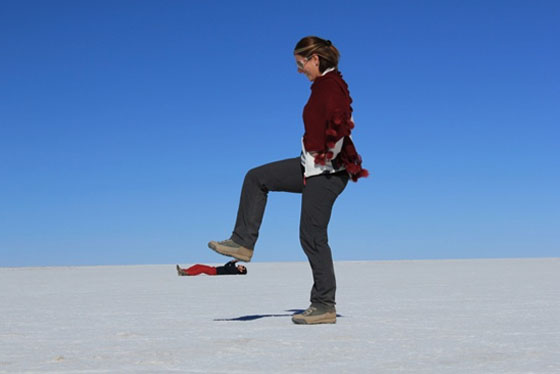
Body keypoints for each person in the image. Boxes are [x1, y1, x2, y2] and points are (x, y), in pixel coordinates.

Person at [208, 36, 368, 325]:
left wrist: (329, 154)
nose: (299, 70)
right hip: (309, 165)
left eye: (300, 64)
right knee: (256, 177)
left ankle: (324, 305)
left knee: (312, 235)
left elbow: (343, 120)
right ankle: (242, 242)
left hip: (328, 172)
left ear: (314, 60)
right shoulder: (322, 86)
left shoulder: (331, 86)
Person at [176, 260, 247, 276]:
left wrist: (233, 262)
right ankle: (183, 270)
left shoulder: (234, 271)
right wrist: (234, 261)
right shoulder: (234, 268)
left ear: (241, 270)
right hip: (213, 269)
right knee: (198, 265)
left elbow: (227, 266)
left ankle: (187, 273)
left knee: (201, 269)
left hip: (214, 272)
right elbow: (229, 265)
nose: (241, 265)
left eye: (242, 267)